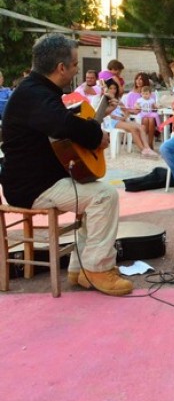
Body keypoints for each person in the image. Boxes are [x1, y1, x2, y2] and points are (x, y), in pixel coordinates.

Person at [0, 33, 133, 296]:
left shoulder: (37, 91)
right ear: (61, 68)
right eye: (74, 64)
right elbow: (63, 124)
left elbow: (62, 126)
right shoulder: (34, 95)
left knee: (93, 192)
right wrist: (96, 136)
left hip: (41, 179)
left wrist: (91, 126)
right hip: (32, 187)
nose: (75, 69)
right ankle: (96, 269)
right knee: (104, 197)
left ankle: (79, 269)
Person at [102, 79, 159, 158]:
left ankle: (147, 148)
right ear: (107, 88)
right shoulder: (104, 99)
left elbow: (125, 110)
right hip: (111, 121)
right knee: (134, 128)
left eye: (114, 88)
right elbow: (105, 113)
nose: (113, 90)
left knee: (142, 127)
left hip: (121, 119)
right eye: (110, 88)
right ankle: (144, 150)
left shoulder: (117, 99)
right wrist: (119, 117)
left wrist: (125, 116)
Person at [123, 73, 157, 149]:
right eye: (137, 79)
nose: (138, 81)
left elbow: (153, 106)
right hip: (136, 117)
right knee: (146, 119)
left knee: (151, 120)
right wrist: (134, 110)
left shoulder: (151, 94)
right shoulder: (131, 94)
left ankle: (150, 143)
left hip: (148, 114)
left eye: (141, 79)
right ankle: (145, 144)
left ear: (145, 81)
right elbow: (126, 108)